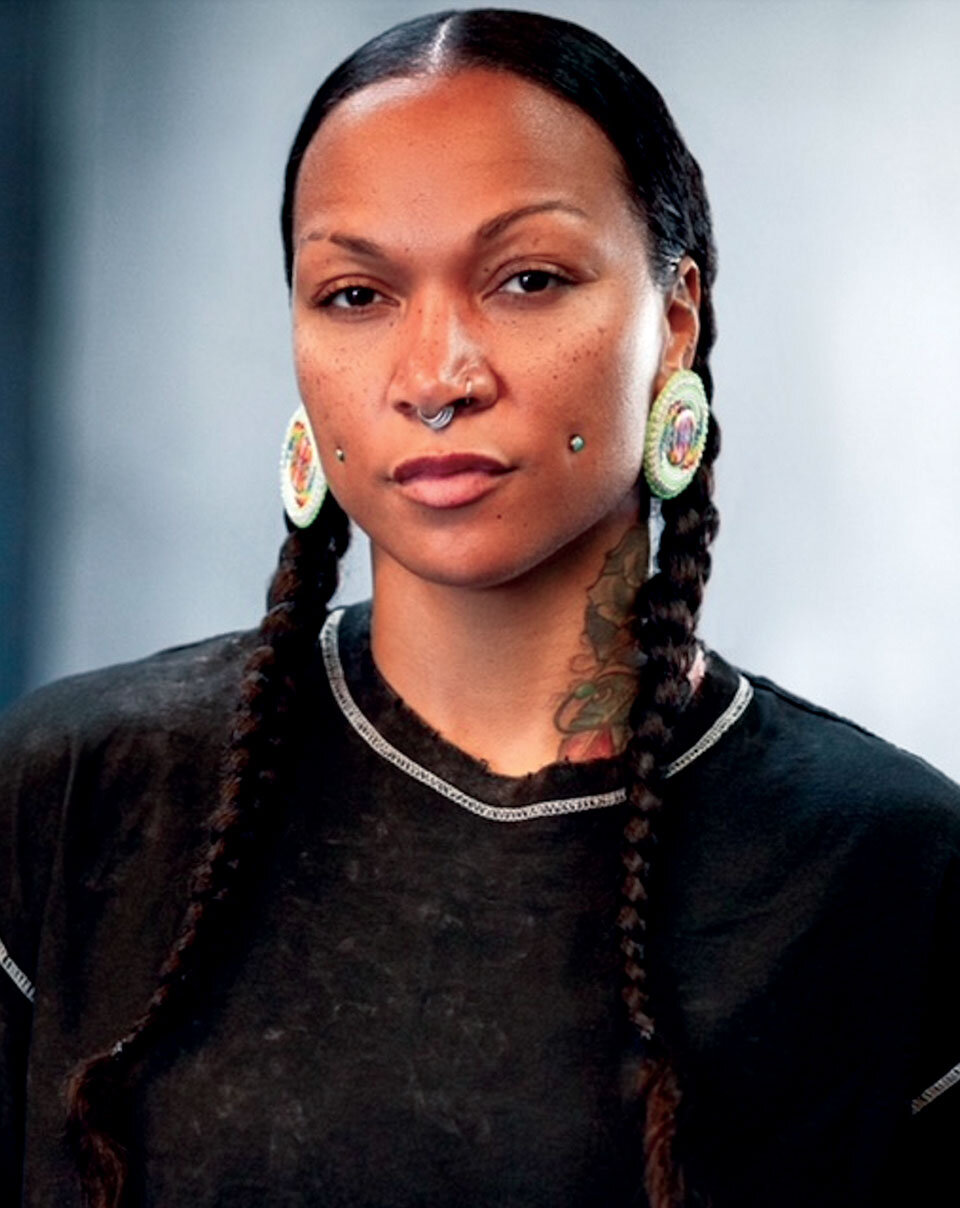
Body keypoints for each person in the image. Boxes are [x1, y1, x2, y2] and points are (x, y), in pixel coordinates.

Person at [1, 8, 958, 1207]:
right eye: (357, 294)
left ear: (675, 319)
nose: (436, 377)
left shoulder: (887, 865)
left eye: (527, 280)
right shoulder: (76, 793)